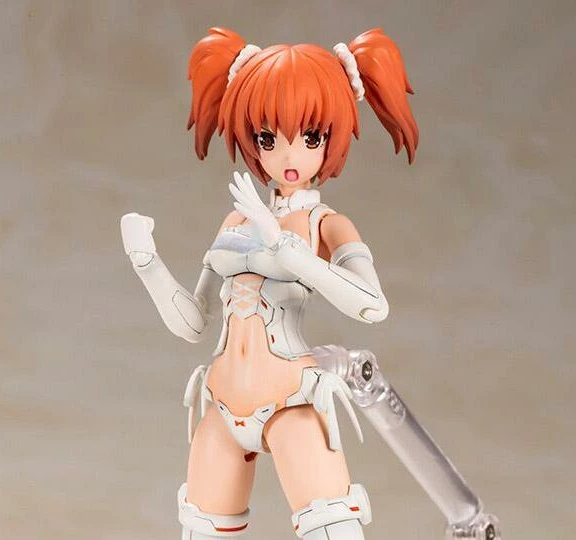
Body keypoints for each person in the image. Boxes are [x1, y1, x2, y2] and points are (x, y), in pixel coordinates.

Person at [120, 26, 418, 539]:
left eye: (310, 137)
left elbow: (373, 305)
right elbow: (194, 323)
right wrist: (147, 263)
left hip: (292, 401)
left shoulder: (326, 224)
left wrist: (288, 249)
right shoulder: (236, 221)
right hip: (221, 405)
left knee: (331, 530)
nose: (288, 156)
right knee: (202, 529)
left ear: (331, 138)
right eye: (268, 138)